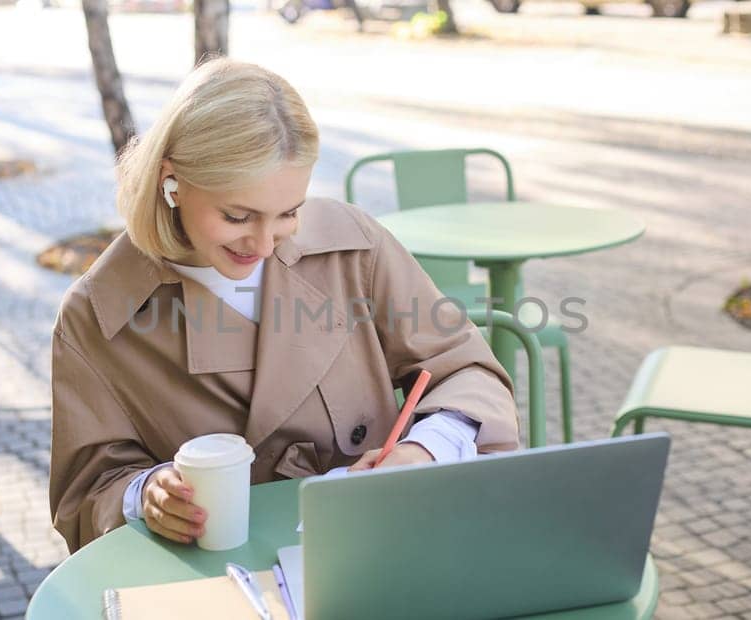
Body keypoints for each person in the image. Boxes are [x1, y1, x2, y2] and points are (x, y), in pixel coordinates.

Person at [49, 58, 518, 551]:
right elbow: (84, 492)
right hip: (216, 575)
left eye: (289, 213)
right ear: (172, 182)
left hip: (377, 544)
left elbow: (469, 374)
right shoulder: (97, 314)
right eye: (237, 216)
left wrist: (425, 449)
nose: (265, 244)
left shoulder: (353, 247)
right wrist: (145, 495)